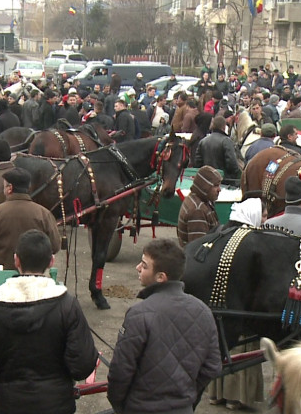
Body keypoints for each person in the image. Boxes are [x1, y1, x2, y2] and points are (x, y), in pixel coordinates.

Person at [0, 230, 98, 414]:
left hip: (10, 403)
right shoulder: (67, 305)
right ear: (51, 261)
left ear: (16, 260)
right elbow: (83, 364)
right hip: (57, 405)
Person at [107, 238, 221, 414]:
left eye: (144, 266)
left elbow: (120, 371)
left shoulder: (139, 314)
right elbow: (212, 366)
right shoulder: (204, 311)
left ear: (161, 277)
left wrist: (122, 405)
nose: (138, 267)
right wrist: (187, 398)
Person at [207, 198, 265, 410]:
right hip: (242, 308)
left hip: (219, 305)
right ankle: (235, 397)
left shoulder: (219, 233)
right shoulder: (251, 243)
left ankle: (216, 394)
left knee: (221, 346)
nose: (265, 220)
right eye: (263, 215)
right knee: (241, 349)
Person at [0, 168, 61, 270]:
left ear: (10, 188)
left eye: (4, 186)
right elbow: (55, 246)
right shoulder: (44, 214)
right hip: (33, 272)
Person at [177, 165, 222, 247]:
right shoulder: (197, 210)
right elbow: (198, 248)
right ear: (205, 187)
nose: (219, 189)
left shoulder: (201, 200)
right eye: (215, 185)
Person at [194, 116, 241, 183]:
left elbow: (197, 163)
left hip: (207, 180)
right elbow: (232, 164)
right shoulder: (226, 141)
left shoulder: (203, 141)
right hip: (224, 181)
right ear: (224, 127)